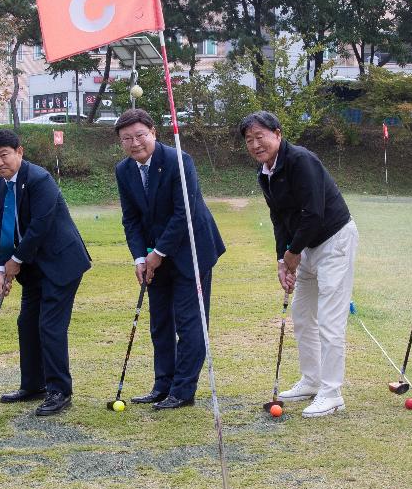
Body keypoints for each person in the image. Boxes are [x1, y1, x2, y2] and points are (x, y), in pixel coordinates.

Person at [242, 111, 358, 417]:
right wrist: (283, 259)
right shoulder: (264, 173)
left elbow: (314, 213)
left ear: (278, 134)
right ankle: (312, 380)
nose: (256, 144)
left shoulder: (301, 160)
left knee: (331, 320)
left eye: (260, 136)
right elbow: (279, 218)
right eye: (249, 140)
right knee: (303, 315)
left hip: (335, 240)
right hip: (305, 245)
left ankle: (332, 393)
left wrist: (294, 253)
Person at [113, 109, 225, 410]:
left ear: (153, 132)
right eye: (127, 139)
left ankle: (183, 391)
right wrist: (140, 257)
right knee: (160, 322)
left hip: (192, 251)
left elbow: (182, 214)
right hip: (153, 257)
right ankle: (163, 385)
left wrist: (157, 254)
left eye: (140, 135)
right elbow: (131, 219)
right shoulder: (123, 171)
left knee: (189, 324)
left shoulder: (179, 160)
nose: (135, 143)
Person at [0, 129, 91, 417]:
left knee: (50, 325)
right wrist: (0, 267)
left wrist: (16, 260)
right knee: (27, 323)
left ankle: (59, 390)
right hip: (31, 268)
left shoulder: (39, 179)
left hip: (61, 263)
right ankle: (34, 385)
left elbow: (40, 226)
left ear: (19, 152)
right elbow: (2, 229)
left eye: (4, 155)